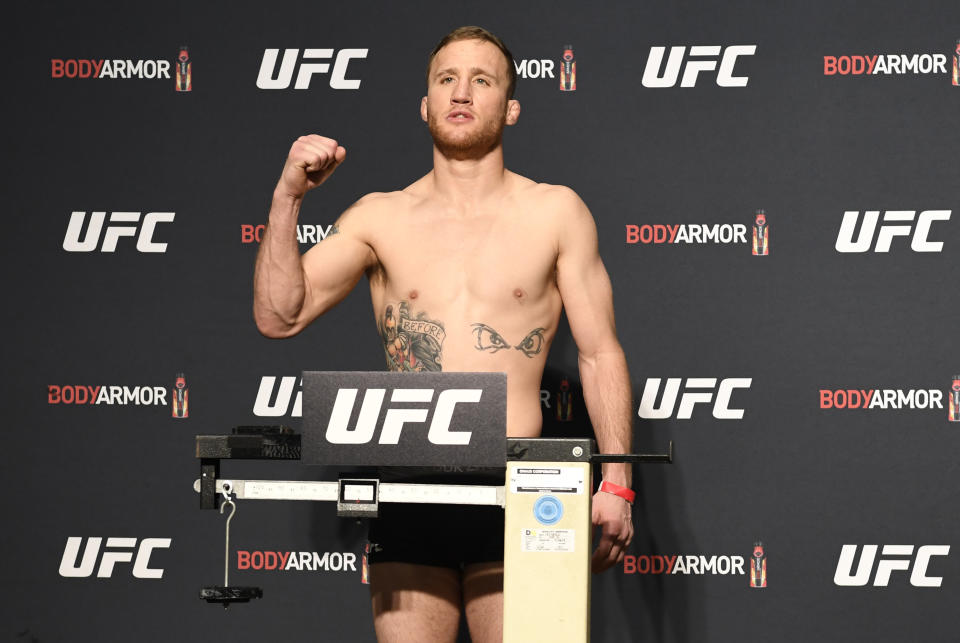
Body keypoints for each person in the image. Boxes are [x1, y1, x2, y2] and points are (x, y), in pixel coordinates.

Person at [253, 25, 634, 643]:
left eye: (481, 80)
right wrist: (287, 198)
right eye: (446, 79)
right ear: (425, 104)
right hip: (409, 482)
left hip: (521, 482)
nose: (461, 92)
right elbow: (279, 316)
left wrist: (617, 481)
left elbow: (598, 353)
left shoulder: (554, 211)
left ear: (509, 108)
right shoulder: (379, 216)